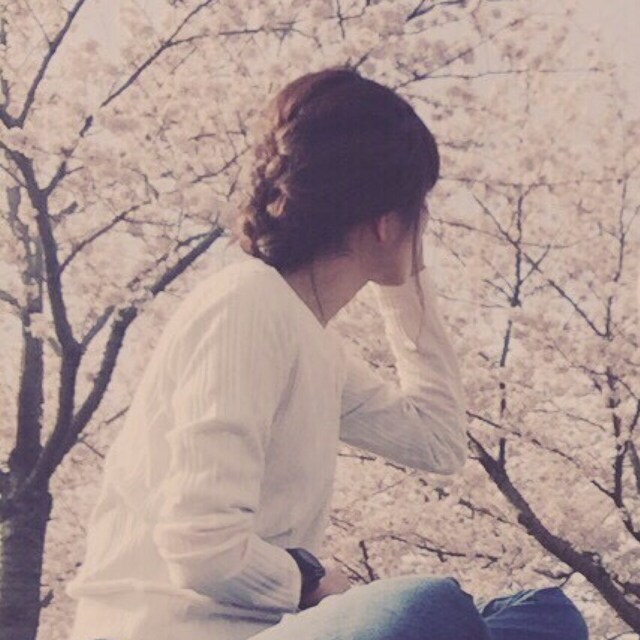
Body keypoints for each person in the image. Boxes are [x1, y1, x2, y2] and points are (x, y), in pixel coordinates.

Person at [66, 66, 589, 640]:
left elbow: (438, 442)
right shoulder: (247, 303)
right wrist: (312, 579)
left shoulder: (313, 341)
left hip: (269, 631)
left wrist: (406, 282)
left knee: (545, 616)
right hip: (176, 631)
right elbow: (203, 548)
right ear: (386, 221)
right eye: (419, 206)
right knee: (425, 606)